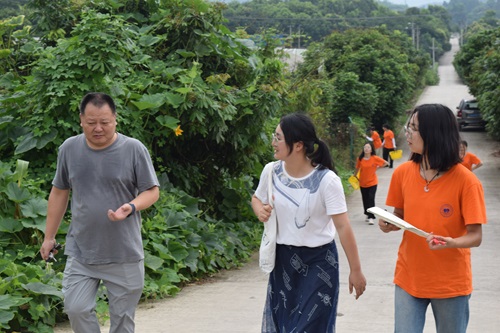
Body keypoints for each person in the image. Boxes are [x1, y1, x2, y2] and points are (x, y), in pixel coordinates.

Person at [39, 92, 160, 333]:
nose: (98, 128)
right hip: (82, 250)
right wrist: (49, 236)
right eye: (91, 122)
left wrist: (131, 206)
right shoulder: (69, 149)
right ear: (81, 120)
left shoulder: (134, 149)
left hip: (124, 253)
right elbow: (59, 192)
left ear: (115, 119)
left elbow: (152, 191)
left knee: (122, 323)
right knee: (76, 308)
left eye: (104, 122)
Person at [251, 112, 366, 333]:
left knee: (308, 328)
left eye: (278, 137)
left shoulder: (326, 180)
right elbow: (257, 198)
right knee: (284, 326)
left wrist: (356, 270)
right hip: (283, 262)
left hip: (319, 263)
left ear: (298, 145)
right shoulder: (271, 171)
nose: (273, 143)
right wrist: (260, 211)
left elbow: (343, 226)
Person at [378, 104, 486, 333]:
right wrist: (389, 223)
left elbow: (475, 236)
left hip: (450, 284)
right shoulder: (402, 173)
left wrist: (452, 242)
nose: (408, 133)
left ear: (434, 133)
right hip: (409, 277)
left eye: (414, 128)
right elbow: (401, 215)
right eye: (409, 127)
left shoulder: (466, 181)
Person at [354, 142, 389, 225]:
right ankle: (367, 213)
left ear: (371, 149)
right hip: (362, 182)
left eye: (368, 147)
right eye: (365, 147)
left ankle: (371, 217)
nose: (366, 149)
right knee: (365, 199)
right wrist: (355, 176)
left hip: (373, 182)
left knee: (371, 198)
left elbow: (386, 163)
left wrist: (377, 167)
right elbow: (357, 168)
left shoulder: (375, 158)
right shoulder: (360, 158)